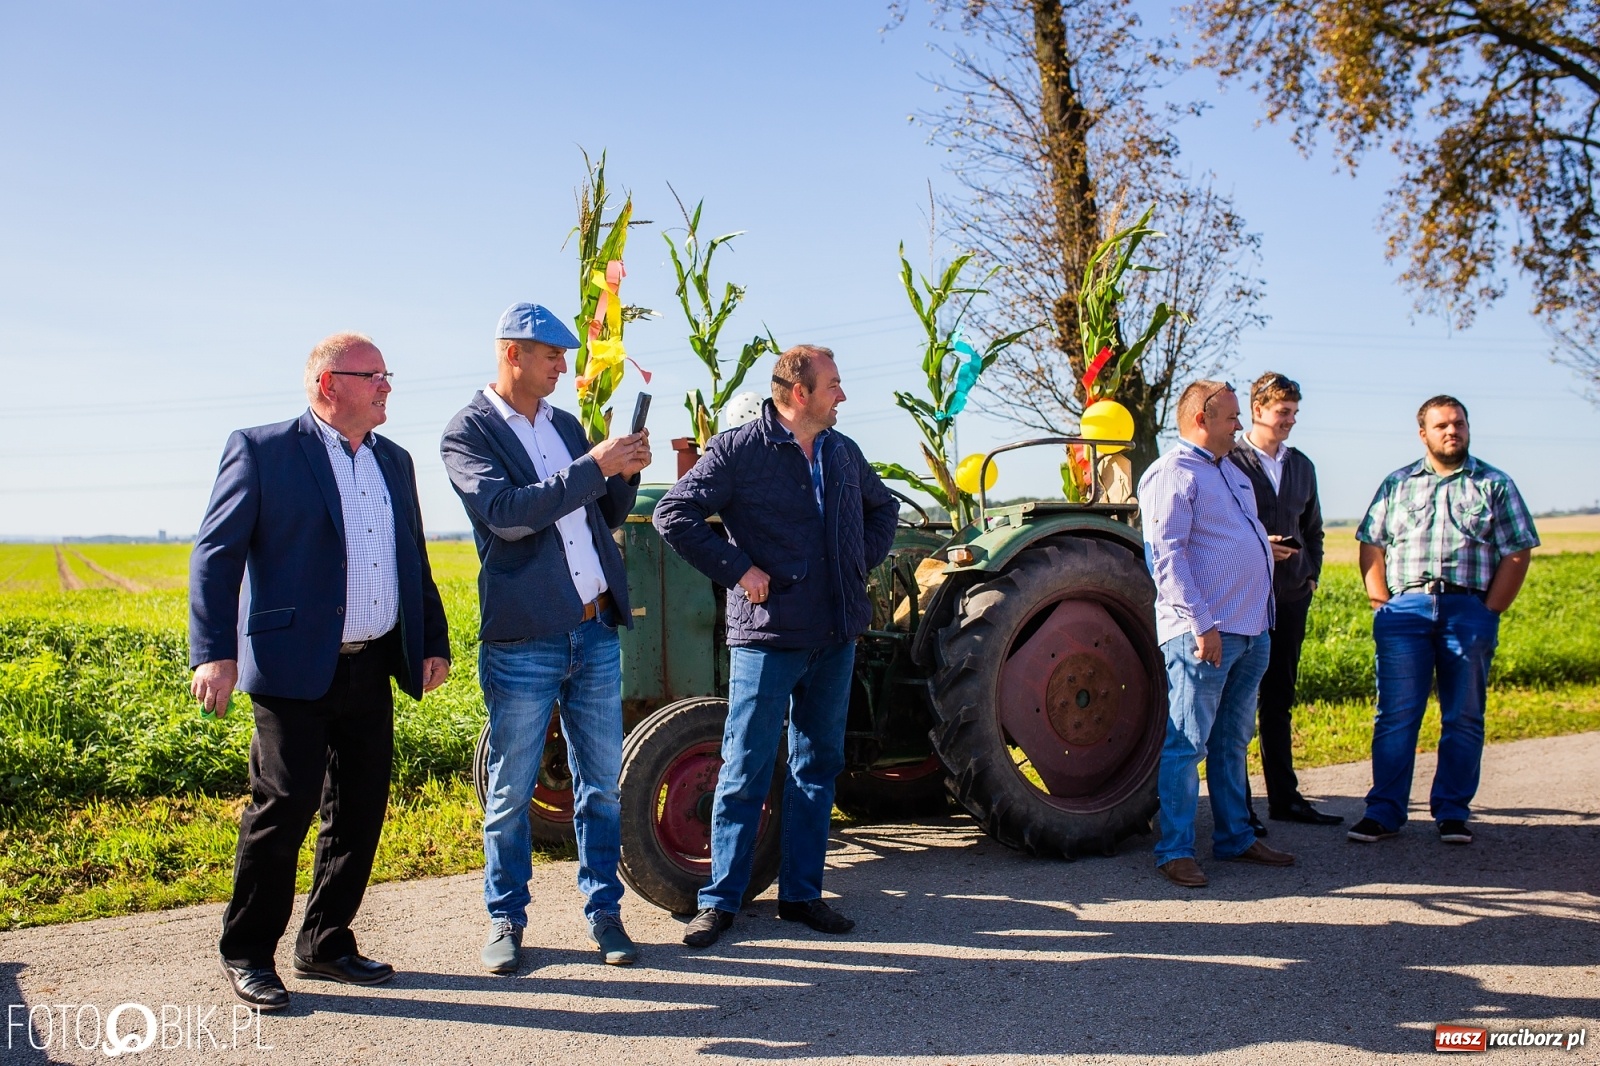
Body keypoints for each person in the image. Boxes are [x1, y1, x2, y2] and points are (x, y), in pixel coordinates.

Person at [190, 332, 452, 1011]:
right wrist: (213, 650)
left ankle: (325, 941)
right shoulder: (264, 449)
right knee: (284, 810)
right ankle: (247, 951)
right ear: (328, 384)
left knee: (360, 809)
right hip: (289, 668)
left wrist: (432, 639)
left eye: (387, 375)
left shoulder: (394, 461)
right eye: (375, 376)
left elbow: (410, 556)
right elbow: (216, 556)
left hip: (372, 664)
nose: (387, 386)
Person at [653, 344, 898, 947]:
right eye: (834, 385)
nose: (842, 395)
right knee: (746, 765)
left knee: (817, 766)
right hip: (769, 638)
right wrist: (738, 569)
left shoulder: (842, 452)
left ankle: (803, 896)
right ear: (798, 394)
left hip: (835, 635)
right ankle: (721, 902)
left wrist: (852, 563)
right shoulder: (740, 450)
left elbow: (882, 508)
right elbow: (673, 512)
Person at [440, 302, 651, 973]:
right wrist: (594, 464)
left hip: (594, 631)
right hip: (525, 638)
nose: (563, 366)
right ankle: (505, 919)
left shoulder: (563, 423)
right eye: (551, 355)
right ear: (513, 354)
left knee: (601, 787)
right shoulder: (467, 431)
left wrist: (626, 470)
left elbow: (598, 512)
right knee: (510, 791)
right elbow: (507, 516)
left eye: (563, 355)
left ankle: (605, 914)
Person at [1348, 395, 1537, 847]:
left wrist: (1490, 610)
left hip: (1466, 610)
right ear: (1423, 434)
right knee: (1395, 716)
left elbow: (1518, 549)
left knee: (1464, 716)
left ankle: (1452, 813)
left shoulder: (1495, 484)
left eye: (1458, 424)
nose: (1451, 432)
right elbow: (1371, 544)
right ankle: (1384, 813)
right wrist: (1381, 602)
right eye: (1441, 426)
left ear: (1468, 429)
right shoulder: (1397, 484)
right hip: (1405, 611)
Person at [1137, 379, 1297, 888]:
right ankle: (1175, 850)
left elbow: (1215, 539)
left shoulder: (1232, 473)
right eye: (1231, 418)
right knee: (1187, 742)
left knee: (1233, 740)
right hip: (1205, 632)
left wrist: (1259, 546)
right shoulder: (1172, 473)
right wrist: (1202, 624)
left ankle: (1234, 838)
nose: (1239, 426)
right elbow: (1168, 555)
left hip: (1251, 627)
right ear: (1201, 420)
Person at [1227, 373, 1341, 830]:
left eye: (1294, 413)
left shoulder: (1302, 466)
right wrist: (1256, 547)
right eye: (1283, 412)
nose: (1290, 420)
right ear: (1257, 410)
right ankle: (1240, 808)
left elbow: (1313, 528)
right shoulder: (1230, 462)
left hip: (1291, 595)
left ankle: (1285, 798)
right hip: (1242, 596)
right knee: (1235, 704)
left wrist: (1310, 575)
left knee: (1279, 698)